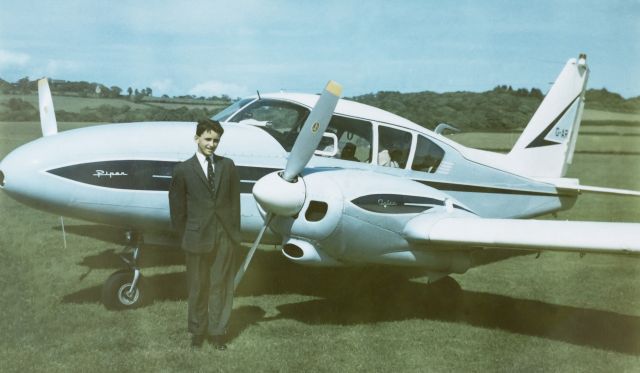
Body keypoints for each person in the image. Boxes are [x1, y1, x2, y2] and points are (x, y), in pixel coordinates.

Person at [168, 119, 241, 350]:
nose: (212, 144)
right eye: (208, 139)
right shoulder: (182, 170)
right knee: (198, 286)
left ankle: (218, 333)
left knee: (221, 286)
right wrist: (186, 236)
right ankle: (198, 332)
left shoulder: (227, 166)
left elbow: (234, 203)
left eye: (216, 140)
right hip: (196, 237)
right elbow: (177, 209)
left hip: (223, 236)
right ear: (197, 138)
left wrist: (233, 235)